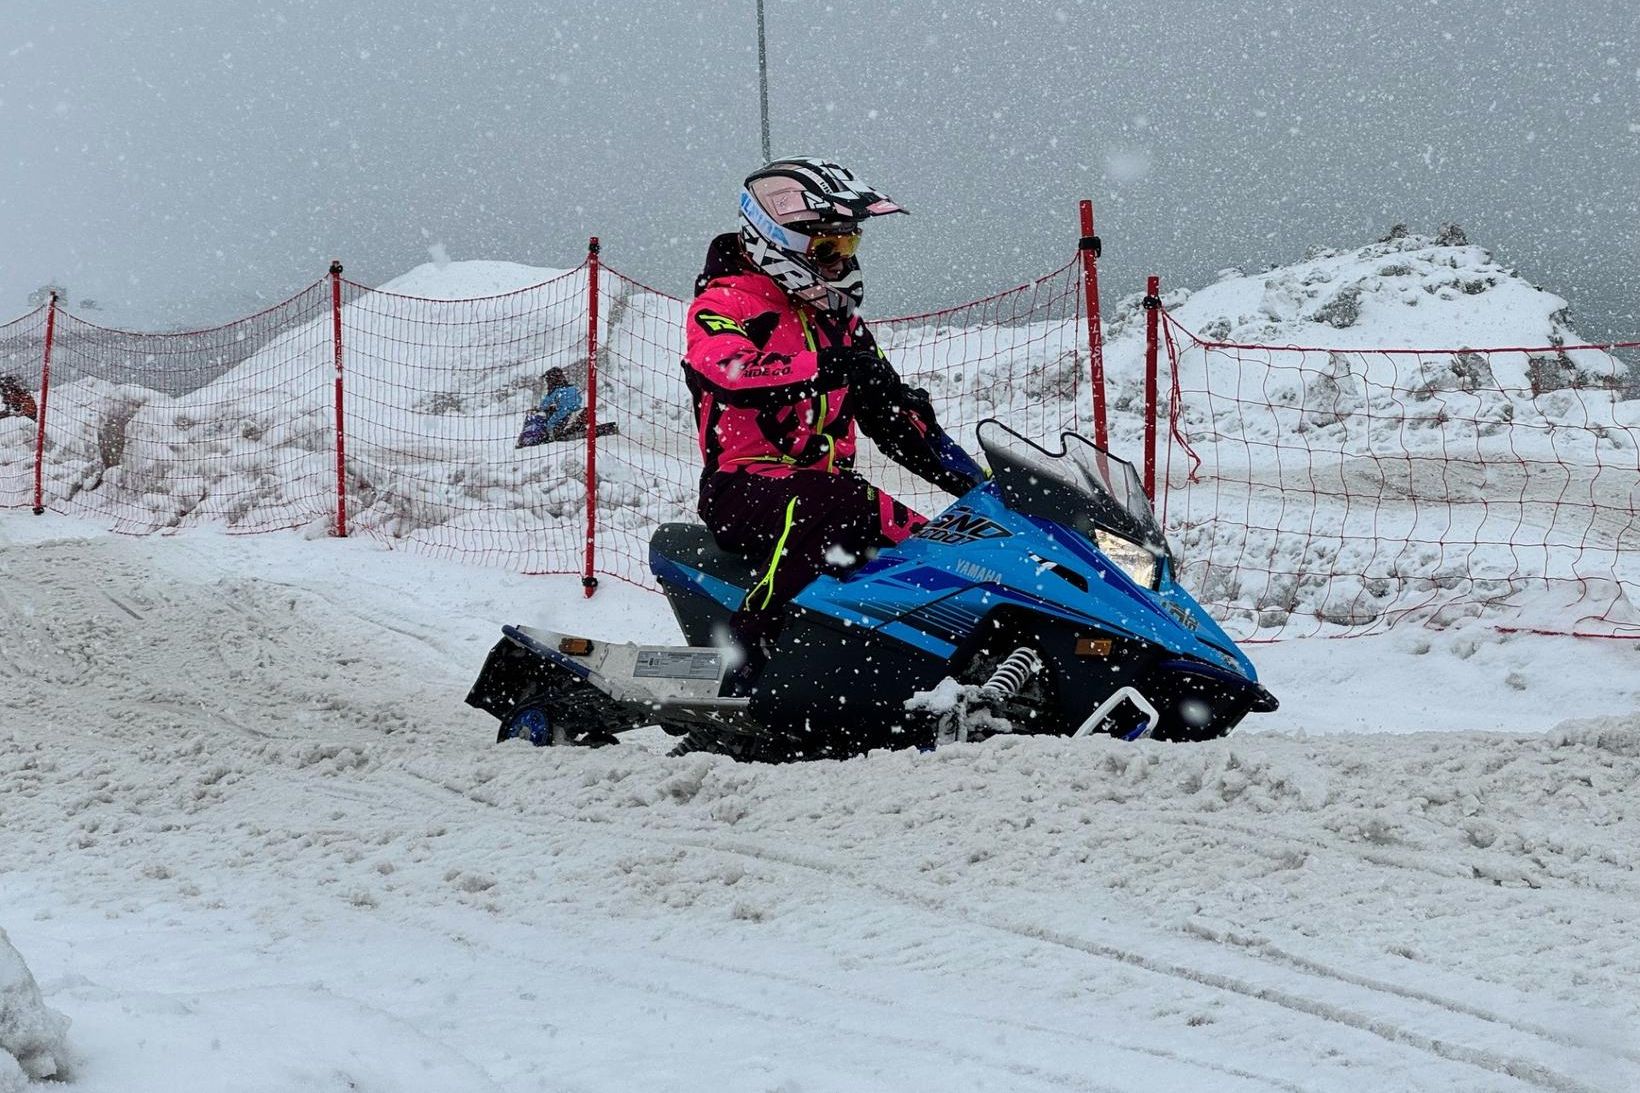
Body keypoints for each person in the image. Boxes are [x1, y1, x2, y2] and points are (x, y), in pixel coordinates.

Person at [683, 157, 984, 693]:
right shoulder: (722, 303)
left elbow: (893, 417)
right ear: (778, 243)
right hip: (744, 486)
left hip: (831, 491)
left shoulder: (840, 324)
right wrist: (824, 370)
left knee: (940, 552)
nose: (840, 260)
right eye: (827, 247)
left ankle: (942, 679)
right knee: (832, 502)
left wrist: (981, 488)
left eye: (849, 245)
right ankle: (746, 658)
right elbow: (728, 370)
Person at [515, 367, 617, 447]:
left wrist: (542, 412)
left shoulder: (555, 391)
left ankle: (549, 437)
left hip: (564, 416)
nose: (547, 383)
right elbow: (576, 402)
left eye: (548, 380)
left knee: (549, 425)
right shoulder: (572, 388)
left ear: (552, 380)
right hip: (576, 413)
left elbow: (545, 405)